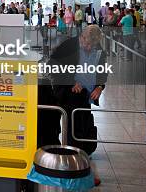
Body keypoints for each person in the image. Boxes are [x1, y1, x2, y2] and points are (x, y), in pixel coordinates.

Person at [48, 25, 107, 186]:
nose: (88, 48)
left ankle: (81, 166)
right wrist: (71, 82)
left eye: (92, 46)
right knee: (73, 132)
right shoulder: (67, 46)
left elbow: (103, 71)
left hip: (86, 96)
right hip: (69, 94)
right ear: (82, 37)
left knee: (83, 130)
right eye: (86, 44)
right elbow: (52, 66)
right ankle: (73, 172)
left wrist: (100, 87)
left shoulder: (98, 48)